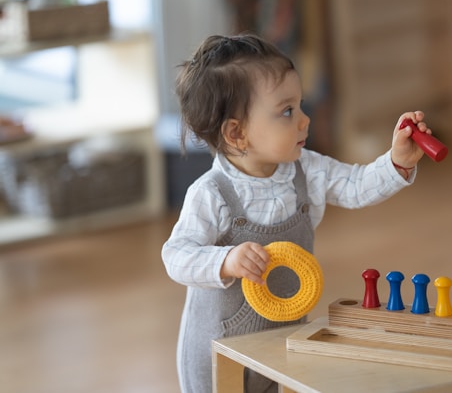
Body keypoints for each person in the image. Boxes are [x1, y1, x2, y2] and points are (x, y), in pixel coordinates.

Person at [162, 33, 433, 393]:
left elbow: (356, 186)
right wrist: (225, 260)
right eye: (287, 111)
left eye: (300, 105)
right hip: (220, 353)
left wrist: (396, 162)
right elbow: (176, 256)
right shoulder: (211, 194)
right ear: (237, 133)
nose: (305, 120)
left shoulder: (307, 169)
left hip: (284, 343)